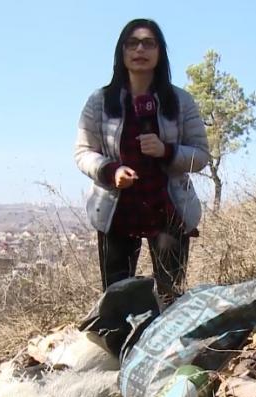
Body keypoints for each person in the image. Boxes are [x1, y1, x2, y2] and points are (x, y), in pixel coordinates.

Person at [74, 18, 209, 301]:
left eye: (149, 43)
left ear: (160, 52)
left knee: (171, 299)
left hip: (168, 211)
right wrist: (111, 171)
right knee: (118, 302)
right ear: (121, 51)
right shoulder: (100, 101)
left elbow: (201, 155)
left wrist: (166, 151)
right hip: (116, 212)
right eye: (132, 43)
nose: (140, 50)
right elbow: (83, 152)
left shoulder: (180, 101)